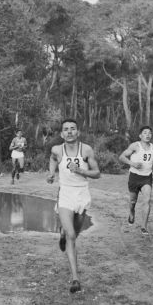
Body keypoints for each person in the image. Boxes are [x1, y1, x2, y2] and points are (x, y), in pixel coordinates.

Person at [46, 118, 100, 293]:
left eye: (72, 129)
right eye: (66, 129)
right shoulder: (57, 149)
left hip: (82, 194)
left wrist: (81, 171)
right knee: (72, 235)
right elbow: (53, 159)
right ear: (62, 134)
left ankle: (63, 233)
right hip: (66, 194)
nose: (69, 132)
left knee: (74, 233)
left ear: (78, 132)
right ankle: (75, 279)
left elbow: (97, 173)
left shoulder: (86, 150)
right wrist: (51, 173)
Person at [119, 125, 153, 235]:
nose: (148, 135)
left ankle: (144, 226)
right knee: (133, 201)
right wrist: (133, 163)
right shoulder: (135, 146)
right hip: (134, 177)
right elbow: (121, 157)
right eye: (145, 133)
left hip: (147, 177)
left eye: (149, 133)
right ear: (140, 135)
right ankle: (132, 212)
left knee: (147, 200)